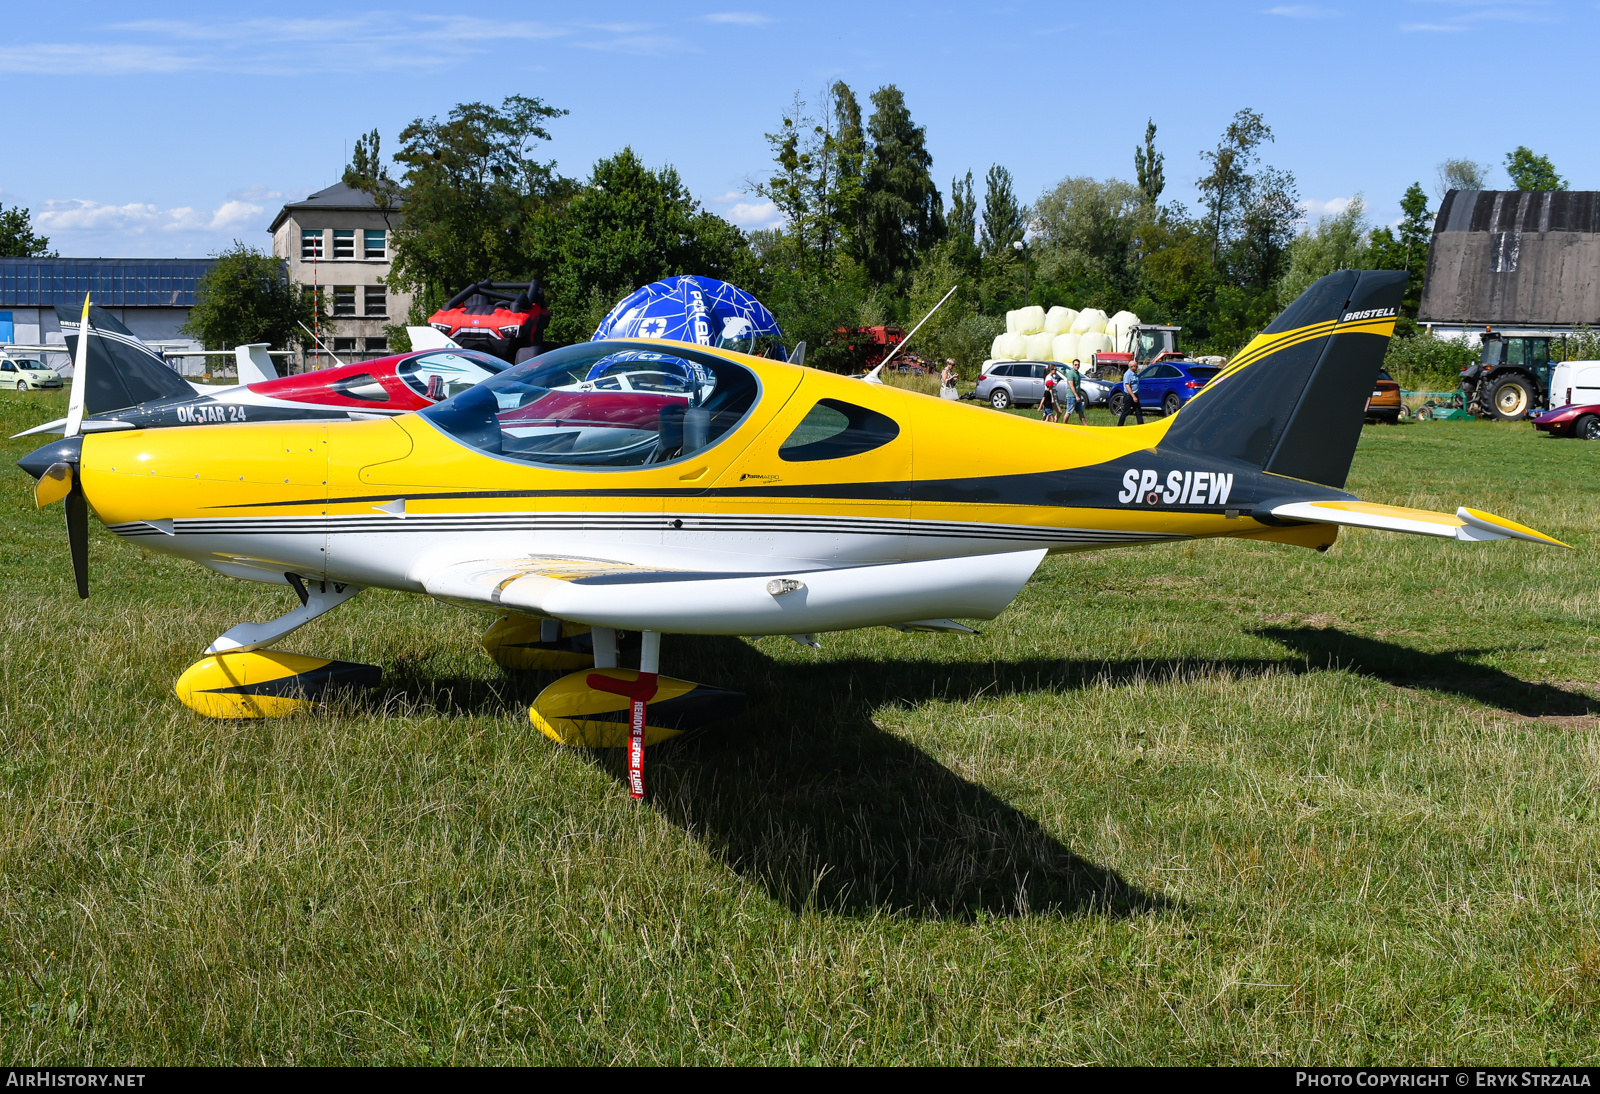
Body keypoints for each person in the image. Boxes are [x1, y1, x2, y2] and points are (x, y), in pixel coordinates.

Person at [1057, 358, 1087, 426]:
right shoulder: (1071, 373)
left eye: (1078, 365)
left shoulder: (1077, 373)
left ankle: (1086, 426)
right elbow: (1071, 385)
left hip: (1077, 396)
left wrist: (1078, 396)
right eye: (1075, 365)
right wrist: (1076, 396)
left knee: (1081, 412)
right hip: (1072, 396)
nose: (1077, 366)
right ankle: (1064, 425)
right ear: (1073, 365)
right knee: (1069, 412)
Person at [1117, 360, 1145, 426]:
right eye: (1136, 366)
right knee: (1125, 412)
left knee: (1138, 411)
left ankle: (1141, 426)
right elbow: (1127, 386)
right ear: (1131, 367)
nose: (1137, 367)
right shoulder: (1128, 374)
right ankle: (1119, 426)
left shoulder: (1134, 373)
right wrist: (1133, 396)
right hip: (1129, 396)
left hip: (1135, 395)